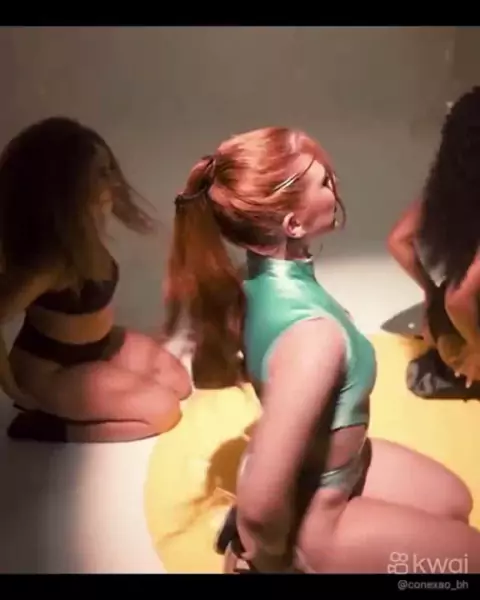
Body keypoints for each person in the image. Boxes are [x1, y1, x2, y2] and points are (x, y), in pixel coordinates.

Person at [164, 126, 480, 573]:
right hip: (320, 515)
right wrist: (269, 557)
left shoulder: (251, 283)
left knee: (455, 501)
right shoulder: (313, 338)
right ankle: (300, 554)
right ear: (292, 224)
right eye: (325, 182)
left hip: (333, 467)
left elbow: (229, 369)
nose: (337, 186)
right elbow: (260, 507)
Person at [0, 117, 191, 443]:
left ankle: (100, 381)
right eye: (100, 174)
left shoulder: (84, 235)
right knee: (164, 411)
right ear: (67, 188)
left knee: (179, 383)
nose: (113, 182)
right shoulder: (49, 264)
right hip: (53, 368)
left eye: (110, 170)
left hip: (102, 345)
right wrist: (12, 388)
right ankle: (45, 428)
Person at [388, 86, 480, 398]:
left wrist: (430, 293)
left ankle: (450, 366)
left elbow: (398, 240)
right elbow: (460, 298)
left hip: (447, 325)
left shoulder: (447, 185)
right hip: (465, 324)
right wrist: (477, 348)